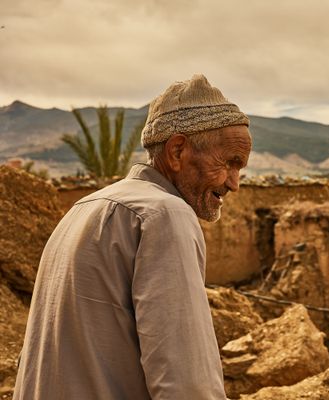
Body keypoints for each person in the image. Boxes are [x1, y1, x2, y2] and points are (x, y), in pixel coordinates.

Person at [14, 74, 252, 399]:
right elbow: (187, 385)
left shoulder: (83, 208)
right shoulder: (165, 215)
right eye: (229, 163)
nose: (234, 183)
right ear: (177, 151)